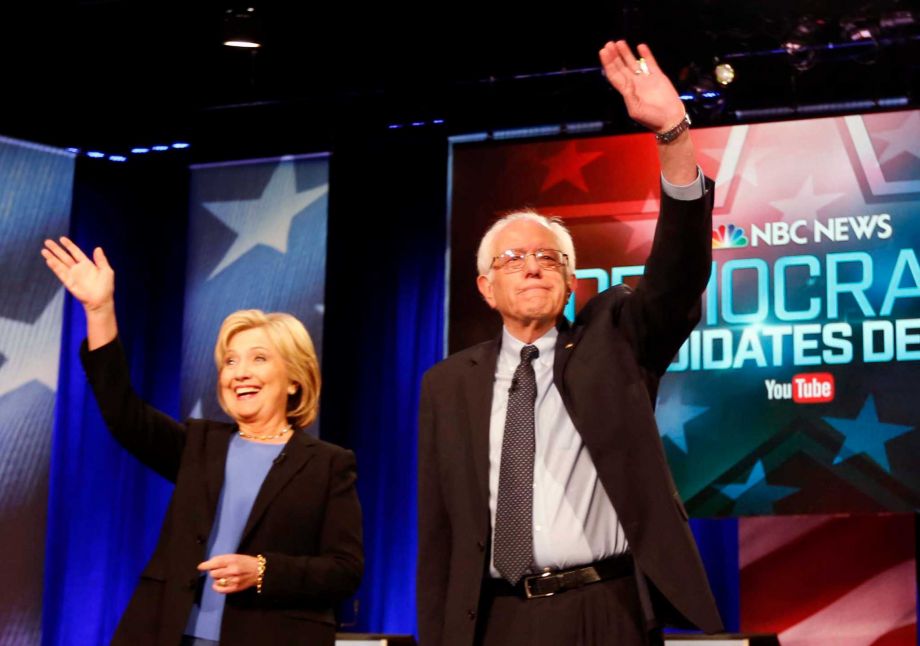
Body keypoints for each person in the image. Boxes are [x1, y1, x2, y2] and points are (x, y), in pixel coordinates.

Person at [416, 41, 723, 646]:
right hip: (495, 619)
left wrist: (673, 134)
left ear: (569, 282)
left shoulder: (614, 341)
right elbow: (438, 534)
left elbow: (678, 274)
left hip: (605, 611)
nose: (532, 267)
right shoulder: (447, 384)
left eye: (548, 258)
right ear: (485, 286)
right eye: (513, 258)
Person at [41, 238, 363, 646]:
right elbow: (123, 412)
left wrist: (263, 571)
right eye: (230, 361)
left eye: (259, 359)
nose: (240, 372)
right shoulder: (199, 444)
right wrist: (99, 310)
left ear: (295, 379)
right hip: (168, 633)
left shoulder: (328, 465)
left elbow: (344, 570)